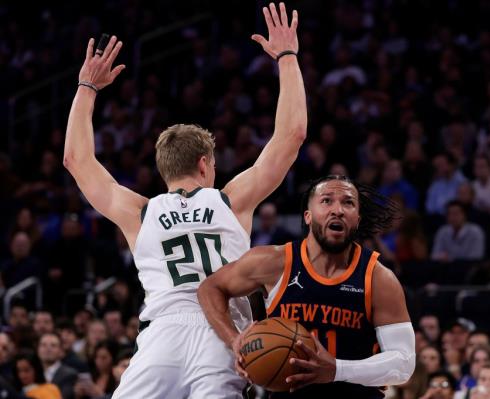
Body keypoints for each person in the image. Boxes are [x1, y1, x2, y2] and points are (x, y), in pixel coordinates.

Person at [63, 3, 307, 398]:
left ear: (164, 170)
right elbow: (291, 135)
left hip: (163, 336)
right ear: (205, 163)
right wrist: (288, 58)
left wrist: (86, 87)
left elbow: (76, 159)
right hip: (223, 330)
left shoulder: (139, 212)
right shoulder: (231, 201)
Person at [198, 176, 415, 397]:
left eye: (348, 202)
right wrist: (234, 340)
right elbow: (209, 288)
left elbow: (404, 363)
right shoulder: (273, 262)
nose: (337, 210)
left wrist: (336, 370)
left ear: (357, 219)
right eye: (327, 201)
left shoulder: (378, 278)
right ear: (308, 216)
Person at [37, 333, 77, 399]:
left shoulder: (69, 374)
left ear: (61, 351)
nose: (48, 349)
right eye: (43, 345)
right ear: (38, 349)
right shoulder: (33, 373)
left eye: (53, 345)